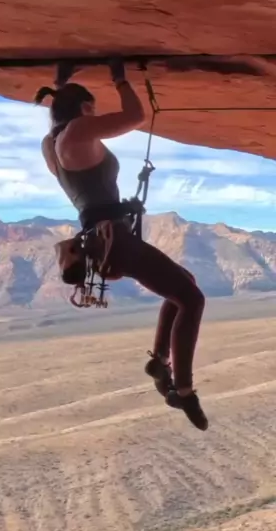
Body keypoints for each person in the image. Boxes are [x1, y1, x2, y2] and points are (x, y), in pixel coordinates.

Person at [35, 59, 208, 431]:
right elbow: (135, 116)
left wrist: (60, 86)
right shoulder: (79, 130)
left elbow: (88, 190)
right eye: (91, 109)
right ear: (85, 108)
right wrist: (120, 79)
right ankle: (182, 390)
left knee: (184, 285)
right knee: (192, 299)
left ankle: (160, 361)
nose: (94, 116)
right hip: (115, 241)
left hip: (103, 241)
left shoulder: (51, 144)